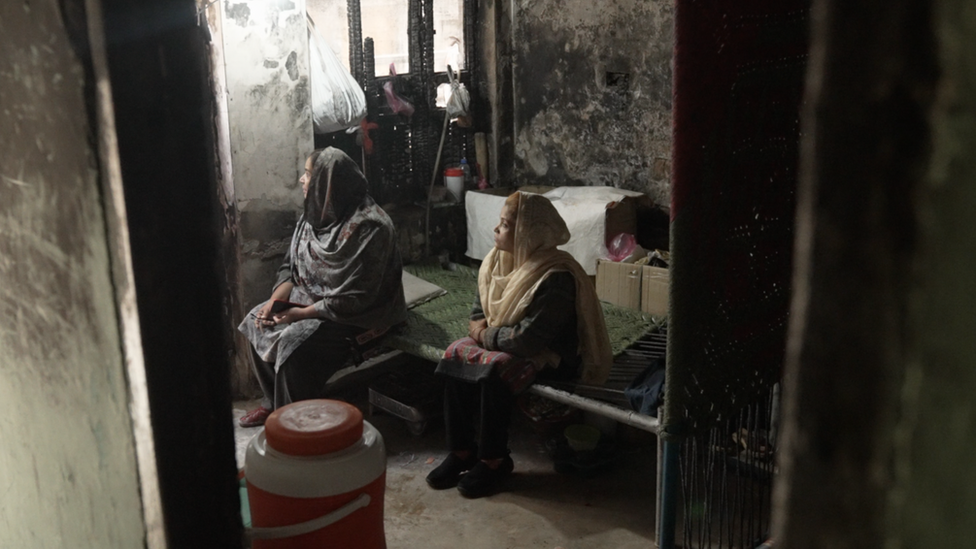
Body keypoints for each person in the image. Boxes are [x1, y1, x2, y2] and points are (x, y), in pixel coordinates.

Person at [426, 191, 613, 498]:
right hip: (506, 339)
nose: (496, 230)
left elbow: (526, 341)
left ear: (529, 232)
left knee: (494, 369)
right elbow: (479, 310)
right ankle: (462, 451)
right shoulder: (497, 261)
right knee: (454, 355)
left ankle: (494, 459)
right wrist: (481, 331)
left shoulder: (555, 276)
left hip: (551, 356)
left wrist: (484, 336)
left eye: (505, 224)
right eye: (499, 223)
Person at [238, 147, 406, 427]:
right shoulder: (317, 214)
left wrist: (301, 315)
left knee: (295, 353)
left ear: (330, 183)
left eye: (308, 175)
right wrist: (277, 298)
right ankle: (274, 404)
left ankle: (294, 425)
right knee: (258, 321)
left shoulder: (371, 228)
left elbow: (357, 298)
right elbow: (290, 264)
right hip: (309, 301)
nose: (302, 181)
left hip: (358, 316)